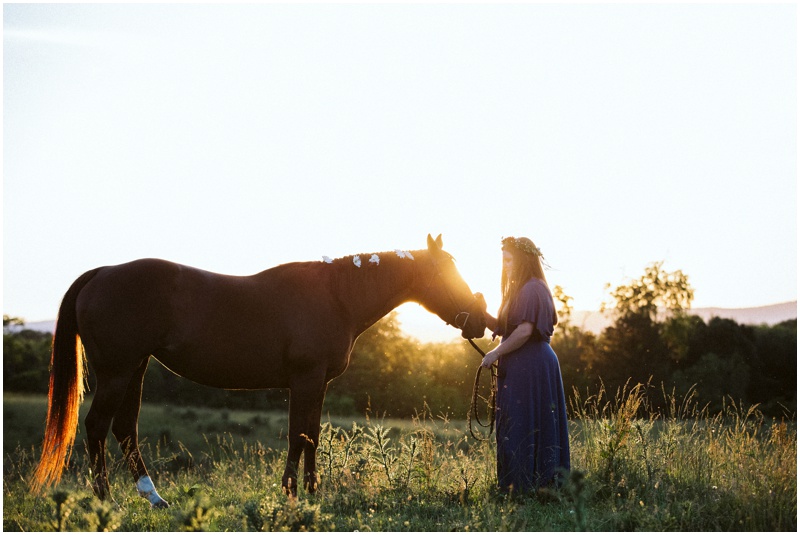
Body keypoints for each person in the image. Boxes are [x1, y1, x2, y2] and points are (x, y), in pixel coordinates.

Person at [478, 236, 570, 496]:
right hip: (520, 366)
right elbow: (505, 327)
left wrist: (495, 353)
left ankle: (533, 487)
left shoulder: (532, 288)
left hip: (533, 366)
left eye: (509, 260)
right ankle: (515, 486)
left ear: (521, 260)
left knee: (526, 422)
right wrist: (480, 311)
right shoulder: (519, 289)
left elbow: (525, 331)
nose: (505, 266)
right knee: (516, 423)